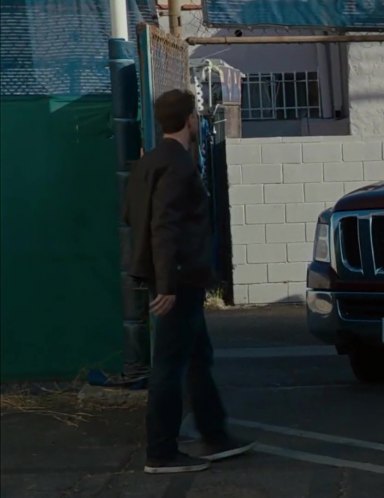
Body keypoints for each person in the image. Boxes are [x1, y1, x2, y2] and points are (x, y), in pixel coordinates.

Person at [124, 89, 253, 474]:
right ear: (190, 120)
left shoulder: (146, 163)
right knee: (169, 366)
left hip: (170, 276)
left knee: (198, 357)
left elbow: (132, 215)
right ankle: (161, 452)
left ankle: (214, 434)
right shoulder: (179, 165)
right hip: (179, 280)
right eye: (196, 117)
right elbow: (166, 227)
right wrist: (168, 284)